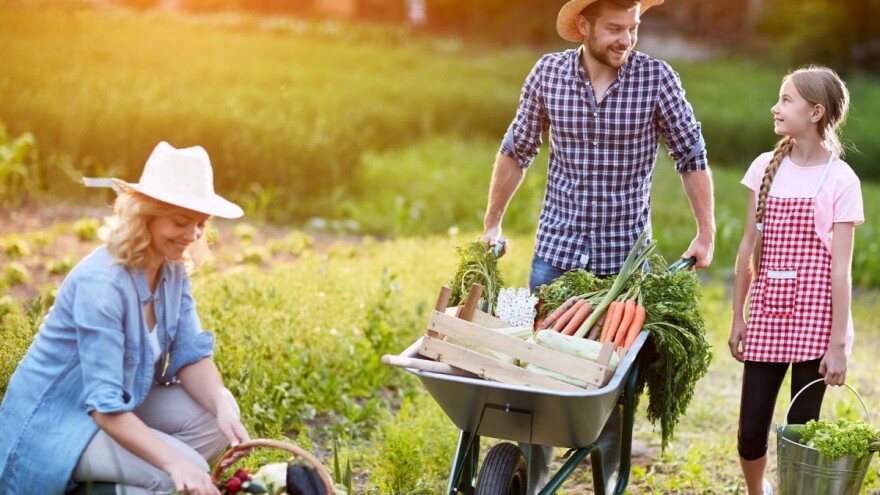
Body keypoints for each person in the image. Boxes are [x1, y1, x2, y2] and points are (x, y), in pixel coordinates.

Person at [481, 0, 715, 492]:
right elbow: (516, 150)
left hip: (623, 266)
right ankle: (530, 478)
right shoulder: (547, 73)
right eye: (614, 28)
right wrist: (492, 224)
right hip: (555, 256)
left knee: (611, 388)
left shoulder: (657, 79)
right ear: (583, 26)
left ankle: (609, 482)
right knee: (534, 372)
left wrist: (705, 233)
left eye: (633, 28)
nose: (626, 39)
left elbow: (691, 153)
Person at [0, 142, 250, 495]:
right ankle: (91, 487)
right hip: (58, 420)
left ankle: (119, 477)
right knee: (181, 469)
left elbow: (190, 353)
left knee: (213, 420)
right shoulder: (101, 284)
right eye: (181, 221)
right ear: (145, 214)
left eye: (200, 223)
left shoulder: (171, 269)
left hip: (120, 403)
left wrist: (222, 400)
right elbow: (103, 408)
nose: (193, 235)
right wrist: (174, 461)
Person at [728, 66, 862, 495]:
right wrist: (737, 317)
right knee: (751, 431)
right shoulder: (765, 166)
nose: (776, 106)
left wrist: (837, 345)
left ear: (816, 111)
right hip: (767, 315)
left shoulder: (841, 179)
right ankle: (757, 491)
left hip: (815, 322)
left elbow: (841, 271)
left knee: (800, 432)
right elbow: (748, 246)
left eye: (786, 99)